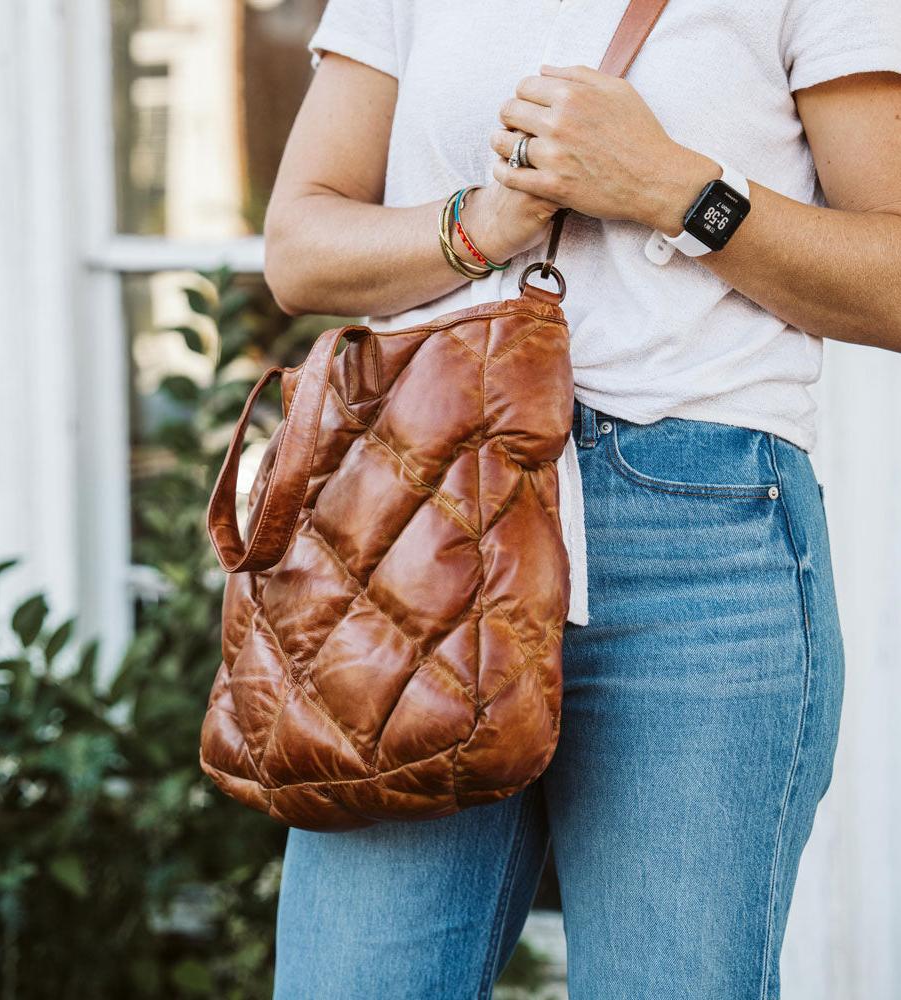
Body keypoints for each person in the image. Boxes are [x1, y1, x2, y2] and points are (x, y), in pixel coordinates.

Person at [261, 2, 901, 997]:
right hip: (426, 528)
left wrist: (678, 190)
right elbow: (299, 246)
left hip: (699, 535)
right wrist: (476, 222)